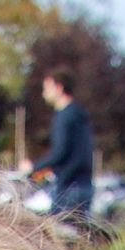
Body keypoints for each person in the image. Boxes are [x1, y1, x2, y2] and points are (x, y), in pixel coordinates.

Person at [32, 67, 94, 220]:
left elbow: (60, 152)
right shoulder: (79, 114)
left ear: (59, 87)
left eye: (47, 88)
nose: (44, 93)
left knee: (59, 238)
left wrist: (33, 167)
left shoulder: (64, 116)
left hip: (68, 187)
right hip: (84, 185)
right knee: (80, 238)